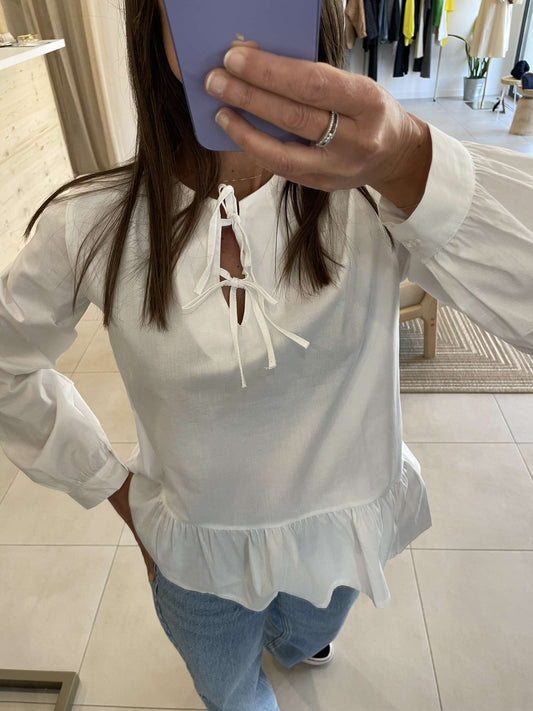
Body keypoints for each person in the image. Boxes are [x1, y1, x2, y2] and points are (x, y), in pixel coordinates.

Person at [0, 0, 532, 709]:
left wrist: (411, 160)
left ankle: (294, 641)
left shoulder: (380, 192)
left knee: (304, 636)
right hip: (194, 558)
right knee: (232, 692)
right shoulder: (89, 224)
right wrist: (112, 487)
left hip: (341, 532)